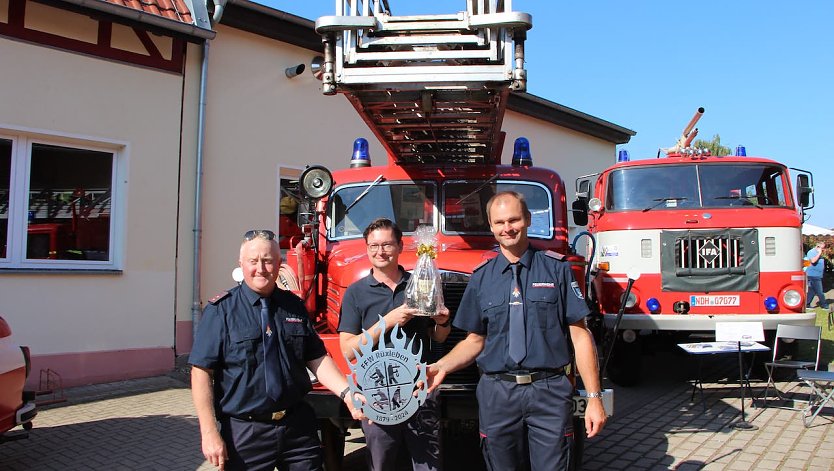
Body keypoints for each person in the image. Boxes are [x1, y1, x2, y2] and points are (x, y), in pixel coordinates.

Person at [426, 191, 606, 470]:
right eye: (499, 222)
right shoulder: (481, 277)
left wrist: (593, 398)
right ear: (490, 226)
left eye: (513, 220)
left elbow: (580, 335)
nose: (507, 228)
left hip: (549, 391)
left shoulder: (556, 270)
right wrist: (442, 366)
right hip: (498, 394)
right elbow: (474, 340)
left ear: (528, 219)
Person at [190, 229, 363, 471]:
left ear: (279, 263)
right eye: (253, 261)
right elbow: (201, 372)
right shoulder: (221, 311)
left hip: (297, 428)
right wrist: (208, 432)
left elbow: (317, 359)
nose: (260, 268)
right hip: (245, 432)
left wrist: (348, 394)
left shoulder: (294, 306)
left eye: (268, 260)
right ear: (241, 264)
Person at [338, 218, 451, 471]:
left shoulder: (420, 285)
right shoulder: (356, 292)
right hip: (377, 390)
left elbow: (439, 337)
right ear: (366, 248)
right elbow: (348, 349)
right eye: (373, 246)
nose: (380, 252)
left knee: (428, 465)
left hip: (420, 387)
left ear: (401, 246)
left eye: (387, 245)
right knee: (381, 464)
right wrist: (387, 322)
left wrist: (443, 322)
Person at [806, 241, 829, 309]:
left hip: (818, 275)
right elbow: (813, 261)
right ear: (818, 247)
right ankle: (824, 305)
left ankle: (807, 304)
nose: (823, 250)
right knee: (820, 291)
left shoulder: (819, 253)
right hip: (813, 275)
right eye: (822, 248)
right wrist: (819, 253)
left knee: (812, 290)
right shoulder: (811, 252)